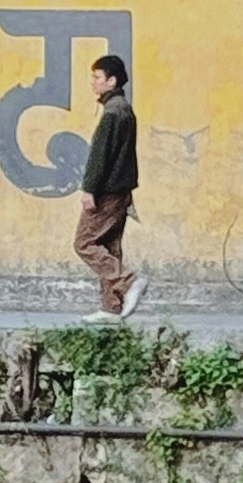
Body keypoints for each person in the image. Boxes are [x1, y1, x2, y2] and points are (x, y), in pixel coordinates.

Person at [73, 50, 138, 316]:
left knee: (84, 243)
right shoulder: (124, 109)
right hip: (121, 190)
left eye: (97, 77)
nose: (93, 82)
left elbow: (100, 155)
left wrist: (89, 189)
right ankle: (112, 309)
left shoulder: (112, 113)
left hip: (107, 191)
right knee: (109, 247)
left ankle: (129, 281)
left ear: (111, 81)